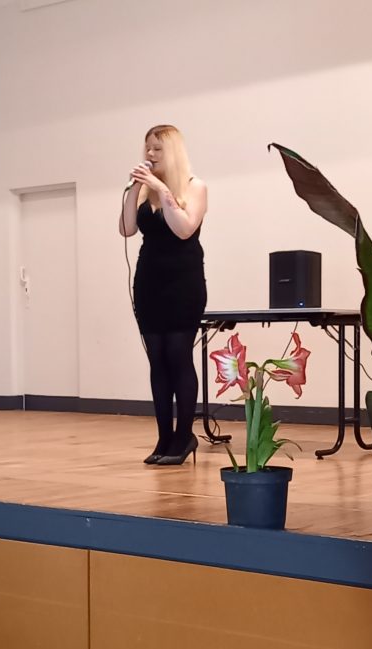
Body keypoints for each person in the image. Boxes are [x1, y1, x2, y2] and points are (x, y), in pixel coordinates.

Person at [119, 125, 209, 465]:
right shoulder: (144, 191)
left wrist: (162, 189)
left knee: (178, 356)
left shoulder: (194, 187)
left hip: (183, 282)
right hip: (149, 281)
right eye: (147, 148)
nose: (150, 155)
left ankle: (184, 437)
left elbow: (184, 228)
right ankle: (163, 438)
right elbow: (127, 228)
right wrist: (135, 190)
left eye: (157, 149)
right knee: (157, 359)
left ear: (172, 152)